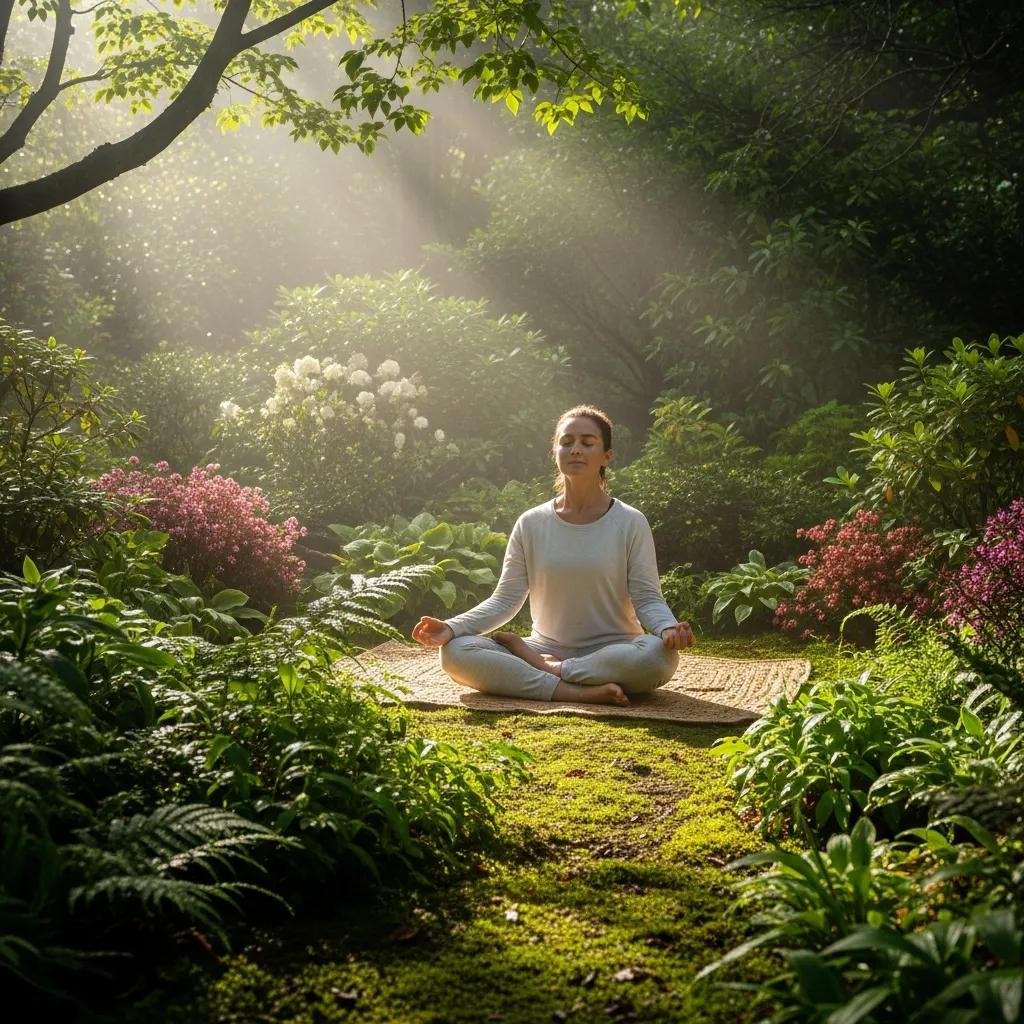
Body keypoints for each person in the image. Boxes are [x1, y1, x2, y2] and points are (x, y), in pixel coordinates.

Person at [411, 404, 695, 706]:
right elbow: (505, 600)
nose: (575, 450)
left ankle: (552, 672)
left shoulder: (630, 521)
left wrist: (667, 628)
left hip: (615, 652)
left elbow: (648, 597)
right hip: (544, 646)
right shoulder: (531, 523)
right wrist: (452, 627)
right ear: (555, 452)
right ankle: (574, 691)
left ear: (607, 456)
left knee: (656, 656)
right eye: (566, 442)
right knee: (456, 652)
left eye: (587, 443)